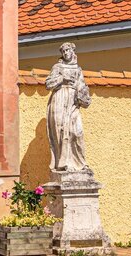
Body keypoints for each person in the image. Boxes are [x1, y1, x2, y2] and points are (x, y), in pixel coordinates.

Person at [45, 42, 91, 173]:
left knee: (77, 132)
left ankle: (80, 164)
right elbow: (48, 84)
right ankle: (64, 164)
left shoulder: (78, 69)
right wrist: (62, 79)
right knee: (61, 131)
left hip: (73, 101)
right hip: (59, 99)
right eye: (63, 51)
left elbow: (82, 86)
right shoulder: (57, 67)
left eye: (67, 50)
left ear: (73, 52)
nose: (65, 53)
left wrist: (83, 95)